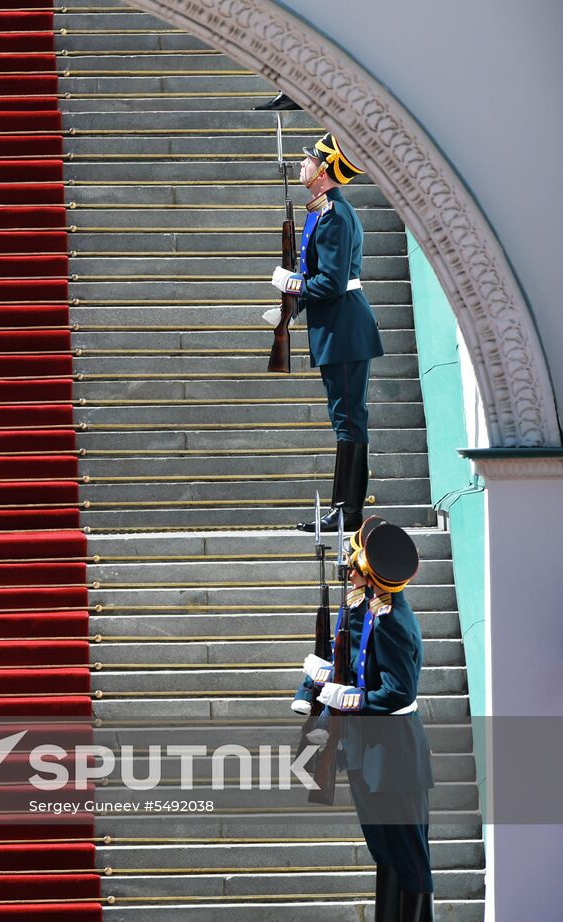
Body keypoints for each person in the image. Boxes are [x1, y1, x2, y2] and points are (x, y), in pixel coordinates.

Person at [293, 517, 434, 920]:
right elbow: (352, 664)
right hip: (367, 752)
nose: (348, 571)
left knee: (411, 861)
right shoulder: (367, 609)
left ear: (372, 578)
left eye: (354, 567)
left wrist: (351, 699)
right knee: (385, 853)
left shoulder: (391, 621)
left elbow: (398, 692)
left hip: (394, 756)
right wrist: (322, 680)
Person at [262, 130, 384, 532]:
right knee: (344, 419)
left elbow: (331, 283)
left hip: (345, 329)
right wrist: (290, 306)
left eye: (309, 160)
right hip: (338, 327)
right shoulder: (323, 210)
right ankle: (343, 508)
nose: (302, 164)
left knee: (349, 420)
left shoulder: (334, 215)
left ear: (323, 172)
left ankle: (348, 512)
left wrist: (291, 285)